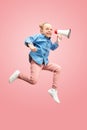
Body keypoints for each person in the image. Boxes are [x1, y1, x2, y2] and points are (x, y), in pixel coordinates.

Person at [9, 22, 62, 103]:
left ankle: (53, 90)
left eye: (51, 29)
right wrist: (31, 46)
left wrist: (58, 40)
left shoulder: (48, 41)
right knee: (33, 81)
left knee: (58, 69)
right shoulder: (39, 36)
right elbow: (28, 39)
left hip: (45, 63)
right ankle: (18, 74)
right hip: (36, 61)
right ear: (42, 31)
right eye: (47, 29)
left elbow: (53, 47)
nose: (49, 30)